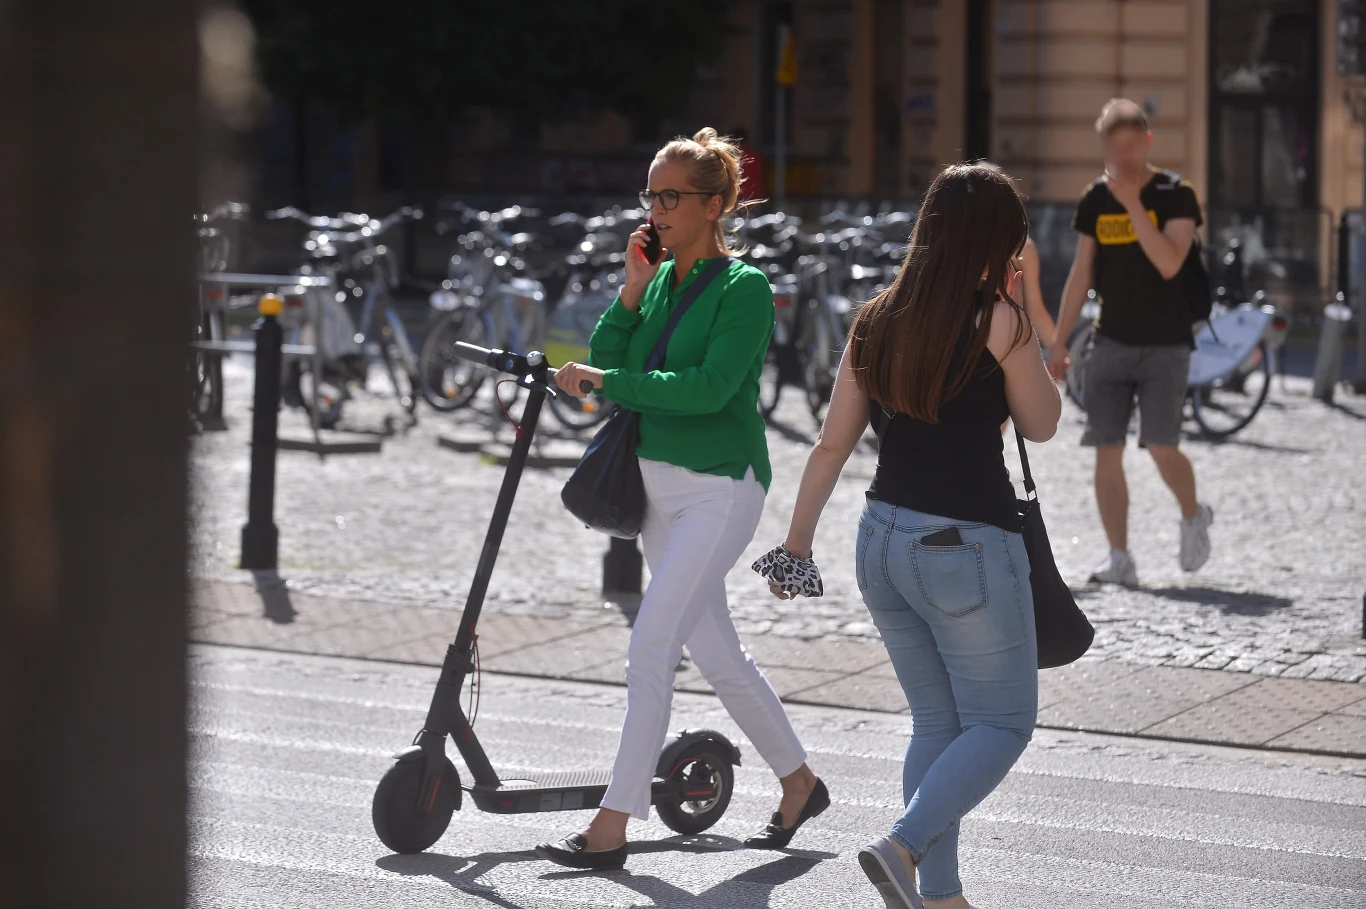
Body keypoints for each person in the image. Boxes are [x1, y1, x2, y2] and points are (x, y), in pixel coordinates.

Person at [756, 163, 1060, 908]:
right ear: (997, 240)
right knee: (1004, 723)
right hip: (964, 548)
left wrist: (795, 549)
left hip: (880, 541)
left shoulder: (877, 316)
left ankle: (940, 894)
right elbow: (1044, 423)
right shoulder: (998, 319)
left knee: (939, 721)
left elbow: (830, 444)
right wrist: (1022, 315)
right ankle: (904, 842)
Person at [544, 128, 826, 871]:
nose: (656, 209)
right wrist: (632, 290)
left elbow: (707, 391)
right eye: (651, 194)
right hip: (657, 489)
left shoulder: (745, 288)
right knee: (717, 654)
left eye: (670, 196)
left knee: (652, 646)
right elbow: (609, 357)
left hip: (721, 489)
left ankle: (612, 824)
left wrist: (608, 381)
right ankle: (800, 782)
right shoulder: (661, 278)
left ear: (715, 204)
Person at [1047, 98, 1214, 586]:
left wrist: (1134, 205)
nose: (1121, 158)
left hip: (1166, 344)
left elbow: (1168, 262)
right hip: (1111, 341)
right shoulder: (1094, 199)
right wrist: (1058, 342)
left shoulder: (1175, 193)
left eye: (1130, 147)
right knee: (1107, 449)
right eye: (1112, 148)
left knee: (1162, 445)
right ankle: (1119, 557)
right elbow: (1081, 274)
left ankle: (1192, 514)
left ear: (1146, 142)